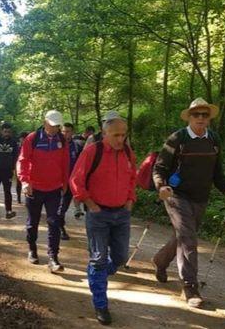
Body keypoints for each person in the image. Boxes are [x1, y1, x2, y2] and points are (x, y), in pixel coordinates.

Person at [152, 98, 225, 309]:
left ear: (209, 118)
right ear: (189, 117)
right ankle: (190, 287)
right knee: (189, 238)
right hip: (176, 196)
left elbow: (217, 171)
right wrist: (161, 186)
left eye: (204, 115)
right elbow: (159, 168)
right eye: (196, 115)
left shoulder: (214, 139)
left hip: (201, 197)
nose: (200, 118)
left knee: (183, 236)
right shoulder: (177, 138)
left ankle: (160, 261)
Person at [69, 115, 137, 325]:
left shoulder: (127, 152)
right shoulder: (93, 151)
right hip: (99, 214)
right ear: (104, 133)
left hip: (121, 214)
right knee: (99, 259)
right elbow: (76, 179)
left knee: (120, 258)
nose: (120, 139)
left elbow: (132, 177)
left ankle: (94, 275)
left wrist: (130, 200)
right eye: (116, 134)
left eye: (123, 134)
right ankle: (101, 304)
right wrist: (91, 205)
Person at [17, 110, 69, 273]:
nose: (54, 129)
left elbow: (65, 162)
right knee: (33, 222)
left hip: (54, 188)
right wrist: (25, 181)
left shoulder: (62, 140)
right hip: (34, 188)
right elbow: (23, 160)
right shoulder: (32, 139)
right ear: (45, 122)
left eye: (57, 126)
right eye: (52, 125)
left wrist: (65, 183)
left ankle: (53, 257)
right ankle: (32, 249)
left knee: (54, 222)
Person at [57, 123, 81, 240]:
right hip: (57, 181)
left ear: (72, 132)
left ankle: (59, 226)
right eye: (63, 131)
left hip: (70, 182)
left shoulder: (76, 147)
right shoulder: (56, 145)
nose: (66, 134)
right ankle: (60, 228)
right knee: (59, 207)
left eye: (68, 131)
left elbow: (80, 164)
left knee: (63, 207)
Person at [15, 132, 29, 204]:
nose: (22, 140)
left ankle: (27, 198)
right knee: (18, 183)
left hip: (27, 167)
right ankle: (18, 197)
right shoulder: (17, 147)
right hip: (18, 166)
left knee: (26, 182)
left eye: (23, 138)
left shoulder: (29, 146)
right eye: (21, 138)